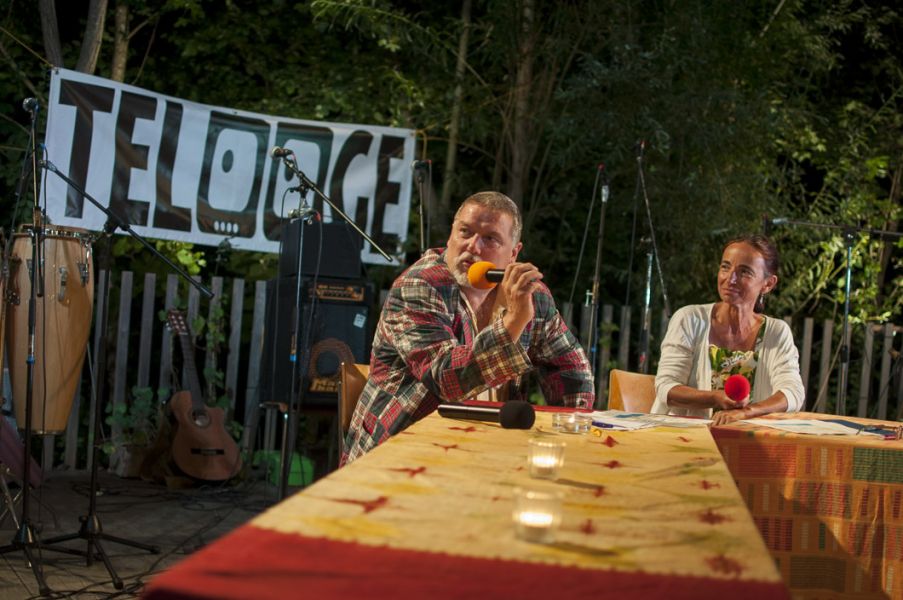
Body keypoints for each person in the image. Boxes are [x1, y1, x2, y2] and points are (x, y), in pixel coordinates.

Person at [342, 191, 594, 463]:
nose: (473, 246)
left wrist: (573, 429)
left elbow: (570, 368)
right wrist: (513, 322)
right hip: (398, 452)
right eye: (465, 232)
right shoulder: (419, 286)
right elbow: (447, 379)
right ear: (451, 235)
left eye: (490, 238)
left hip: (485, 450)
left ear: (513, 253)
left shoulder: (531, 296)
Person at [652, 234, 805, 425]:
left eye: (744, 272)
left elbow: (793, 392)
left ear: (768, 284)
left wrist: (747, 412)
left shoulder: (776, 332)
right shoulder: (689, 319)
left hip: (748, 439)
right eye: (725, 267)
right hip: (685, 436)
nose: (730, 278)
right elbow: (666, 388)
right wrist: (715, 397)